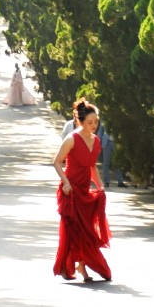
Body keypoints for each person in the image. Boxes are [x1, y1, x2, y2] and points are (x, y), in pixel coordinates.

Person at [52, 98, 112, 282]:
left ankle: (81, 264)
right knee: (73, 231)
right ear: (80, 121)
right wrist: (66, 183)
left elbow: (92, 167)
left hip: (84, 191)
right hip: (70, 191)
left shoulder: (96, 141)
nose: (94, 125)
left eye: (96, 122)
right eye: (90, 122)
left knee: (86, 231)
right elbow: (56, 162)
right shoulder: (71, 139)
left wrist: (100, 186)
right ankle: (79, 266)